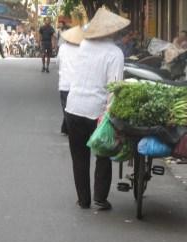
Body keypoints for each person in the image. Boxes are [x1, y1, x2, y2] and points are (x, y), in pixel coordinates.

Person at [65, 8, 130, 210]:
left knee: (79, 156)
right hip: (97, 111)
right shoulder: (115, 53)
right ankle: (100, 199)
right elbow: (115, 88)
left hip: (73, 107)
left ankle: (83, 199)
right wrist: (110, 114)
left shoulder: (83, 45)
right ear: (112, 32)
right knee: (103, 154)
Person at [57, 26, 83, 135]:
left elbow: (58, 62)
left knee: (66, 107)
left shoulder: (62, 48)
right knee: (72, 107)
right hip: (77, 84)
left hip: (65, 83)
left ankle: (68, 129)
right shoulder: (83, 49)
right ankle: (66, 128)